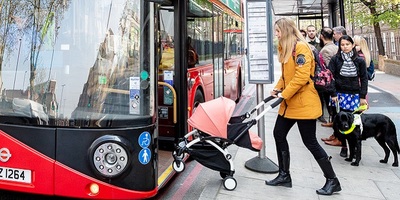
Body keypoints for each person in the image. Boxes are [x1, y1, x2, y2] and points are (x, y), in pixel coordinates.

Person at [265, 18, 341, 196]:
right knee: (278, 134)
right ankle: (284, 175)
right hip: (290, 103)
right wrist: (278, 88)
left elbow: (301, 77)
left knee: (310, 142)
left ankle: (332, 180)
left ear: (286, 30)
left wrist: (285, 93)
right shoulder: (285, 48)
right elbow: (286, 76)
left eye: (278, 31)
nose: (276, 35)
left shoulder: (301, 48)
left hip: (304, 103)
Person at [324, 35, 369, 157]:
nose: (345, 47)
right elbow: (330, 77)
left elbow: (364, 79)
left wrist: (362, 96)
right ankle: (343, 146)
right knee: (339, 122)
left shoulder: (359, 60)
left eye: (347, 44)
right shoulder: (335, 59)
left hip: (354, 95)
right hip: (339, 95)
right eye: (342, 45)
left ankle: (354, 149)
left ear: (352, 45)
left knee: (354, 122)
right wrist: (333, 93)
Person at [318, 27, 338, 127]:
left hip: (331, 83)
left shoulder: (325, 51)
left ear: (321, 36)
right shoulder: (336, 47)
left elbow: (328, 70)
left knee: (332, 108)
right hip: (338, 81)